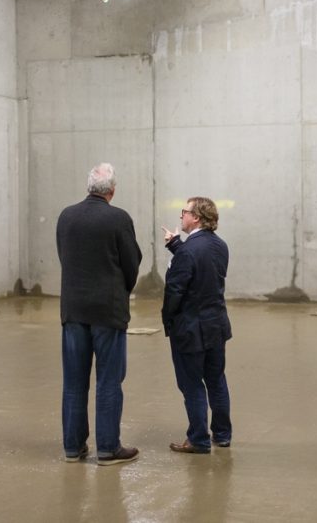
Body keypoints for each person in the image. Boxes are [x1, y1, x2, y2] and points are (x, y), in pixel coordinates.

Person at [56, 162, 143, 466]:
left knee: (74, 382)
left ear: (88, 187)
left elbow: (63, 256)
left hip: (73, 311)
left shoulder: (66, 216)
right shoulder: (118, 219)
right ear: (112, 191)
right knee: (108, 381)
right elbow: (131, 263)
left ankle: (72, 447)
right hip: (108, 311)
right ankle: (107, 449)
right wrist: (121, 290)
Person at [161, 196, 232, 454]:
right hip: (216, 326)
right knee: (216, 379)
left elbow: (176, 291)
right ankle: (222, 435)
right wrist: (175, 246)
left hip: (190, 329)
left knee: (191, 384)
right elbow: (200, 268)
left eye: (185, 212)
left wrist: (168, 319)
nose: (181, 216)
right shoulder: (220, 246)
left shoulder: (189, 250)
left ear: (196, 217)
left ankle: (199, 439)